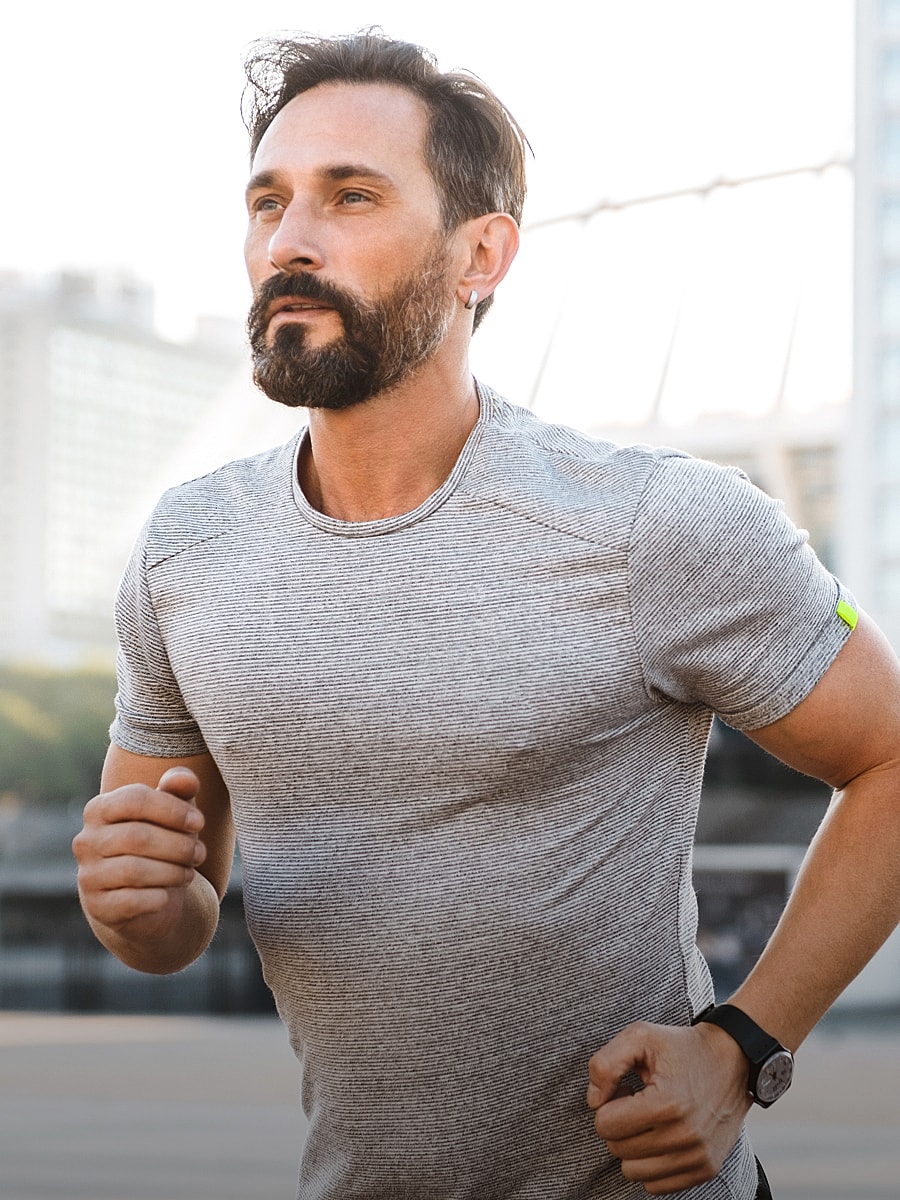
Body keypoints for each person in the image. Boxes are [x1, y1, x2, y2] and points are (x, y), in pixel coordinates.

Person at [72, 31, 900, 1200]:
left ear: (481, 253)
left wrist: (745, 1048)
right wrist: (138, 903)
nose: (289, 239)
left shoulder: (657, 523)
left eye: (350, 195)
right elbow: (168, 920)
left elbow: (891, 756)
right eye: (268, 201)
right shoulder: (186, 551)